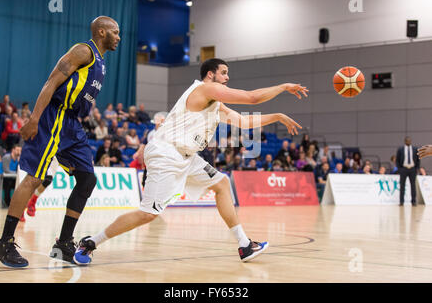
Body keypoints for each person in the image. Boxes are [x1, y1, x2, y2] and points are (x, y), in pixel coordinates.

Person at [73, 57, 308, 265]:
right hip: (167, 154)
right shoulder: (205, 90)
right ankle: (91, 242)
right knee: (148, 214)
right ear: (210, 75)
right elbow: (252, 98)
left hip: (186, 156)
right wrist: (283, 87)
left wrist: (276, 116)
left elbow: (243, 122)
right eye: (224, 72)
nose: (227, 77)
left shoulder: (215, 103)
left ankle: (244, 245)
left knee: (222, 184)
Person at [0, 16, 121, 268]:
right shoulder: (83, 51)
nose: (118, 37)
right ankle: (4, 243)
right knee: (34, 178)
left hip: (73, 125)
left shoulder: (101, 63)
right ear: (102, 32)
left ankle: (62, 243)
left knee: (87, 178)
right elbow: (51, 82)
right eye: (115, 32)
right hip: (55, 117)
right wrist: (34, 118)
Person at [396, 136, 419, 206]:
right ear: (405, 141)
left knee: (413, 186)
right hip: (403, 169)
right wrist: (400, 169)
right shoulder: (400, 149)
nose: (408, 141)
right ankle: (401, 201)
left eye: (409, 140)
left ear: (411, 141)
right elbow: (397, 160)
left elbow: (418, 160)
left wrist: (416, 168)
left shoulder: (415, 149)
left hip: (412, 169)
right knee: (402, 186)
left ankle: (413, 201)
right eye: (407, 140)